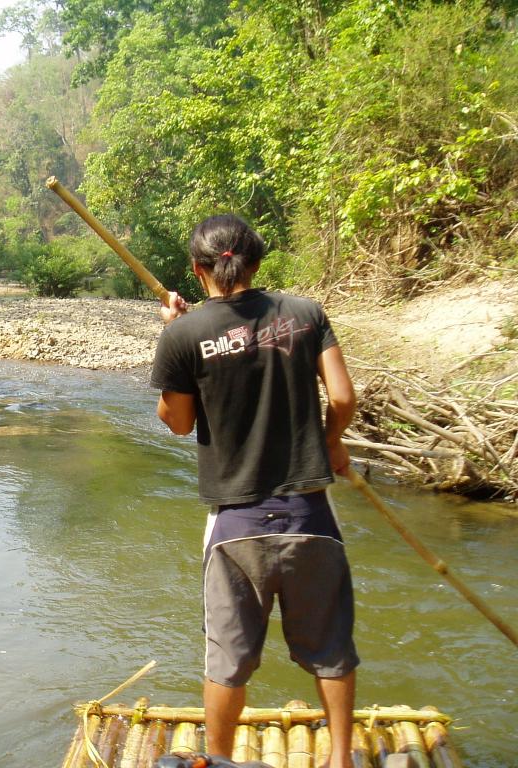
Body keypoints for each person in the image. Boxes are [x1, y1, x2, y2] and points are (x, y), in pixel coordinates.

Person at [150, 214, 360, 768]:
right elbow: (341, 397)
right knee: (331, 647)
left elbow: (176, 421)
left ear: (199, 271)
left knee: (228, 656)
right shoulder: (306, 314)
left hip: (235, 524)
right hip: (310, 511)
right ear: (258, 263)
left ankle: (217, 760)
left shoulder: (183, 334)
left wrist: (171, 332)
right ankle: (341, 759)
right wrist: (332, 444)